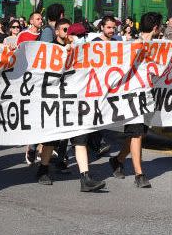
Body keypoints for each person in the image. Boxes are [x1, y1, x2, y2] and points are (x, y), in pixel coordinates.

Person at [33, 18, 106, 192]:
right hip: (55, 102)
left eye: (82, 35)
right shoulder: (50, 49)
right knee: (51, 140)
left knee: (80, 140)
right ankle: (43, 169)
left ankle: (85, 178)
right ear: (61, 32)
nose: (78, 37)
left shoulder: (86, 53)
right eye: (71, 33)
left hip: (76, 103)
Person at [110, 11, 163, 189]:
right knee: (136, 133)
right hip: (133, 96)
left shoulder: (158, 47)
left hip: (148, 96)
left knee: (139, 134)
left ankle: (117, 160)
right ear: (156, 27)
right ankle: (139, 174)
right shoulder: (132, 46)